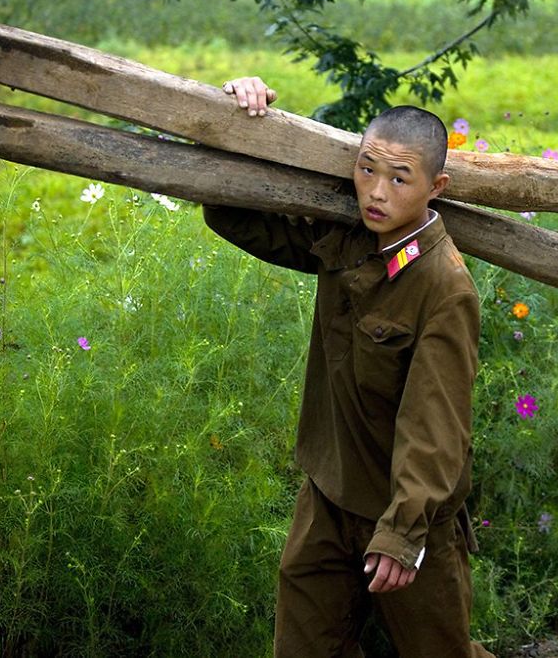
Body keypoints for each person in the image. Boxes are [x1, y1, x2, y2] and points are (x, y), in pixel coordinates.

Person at [203, 76, 495, 657]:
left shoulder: (443, 287)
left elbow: (435, 425)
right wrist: (237, 119)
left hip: (407, 518)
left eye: (399, 178)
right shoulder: (347, 239)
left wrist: (403, 530)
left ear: (436, 186)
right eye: (366, 170)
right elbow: (234, 217)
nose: (376, 192)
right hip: (329, 498)